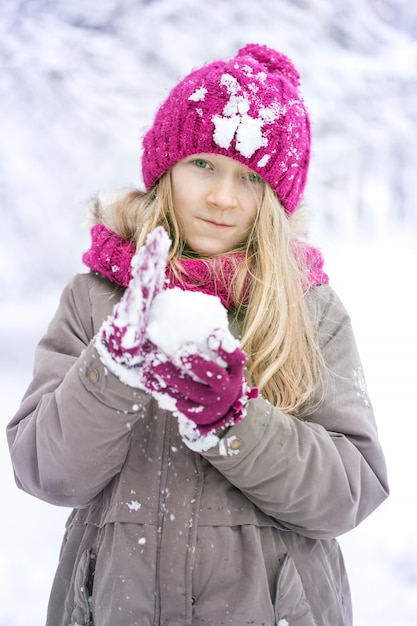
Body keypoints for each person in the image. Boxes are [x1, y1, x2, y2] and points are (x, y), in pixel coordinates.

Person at [6, 43, 388, 626]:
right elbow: (45, 472)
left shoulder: (310, 310)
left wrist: (236, 421)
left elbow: (348, 494)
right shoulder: (97, 295)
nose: (222, 197)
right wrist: (110, 371)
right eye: (203, 164)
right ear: (166, 169)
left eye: (250, 177)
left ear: (274, 199)